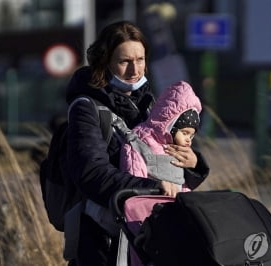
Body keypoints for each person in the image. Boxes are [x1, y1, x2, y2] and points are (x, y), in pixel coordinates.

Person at [65, 21, 209, 266]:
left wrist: (194, 164)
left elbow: (169, 170)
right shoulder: (86, 108)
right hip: (102, 239)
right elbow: (90, 172)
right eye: (124, 61)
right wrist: (149, 187)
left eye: (140, 60)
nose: (135, 70)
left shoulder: (151, 105)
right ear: (104, 62)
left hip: (147, 233)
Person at [119, 80, 203, 191]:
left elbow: (182, 182)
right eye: (184, 133)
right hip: (150, 202)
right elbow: (135, 174)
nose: (188, 140)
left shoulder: (178, 148)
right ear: (171, 126)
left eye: (191, 136)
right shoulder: (140, 141)